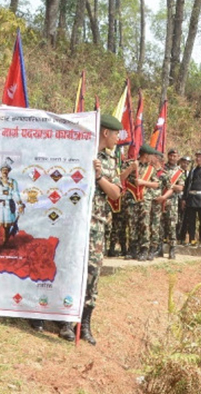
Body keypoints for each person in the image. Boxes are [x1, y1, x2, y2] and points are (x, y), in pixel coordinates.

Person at [58, 113, 123, 344]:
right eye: (116, 134)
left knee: (92, 271)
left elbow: (116, 194)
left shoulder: (109, 161)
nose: (118, 138)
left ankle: (84, 323)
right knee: (70, 267)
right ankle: (65, 320)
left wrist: (99, 176)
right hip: (73, 222)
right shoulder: (79, 153)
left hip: (96, 224)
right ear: (106, 133)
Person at [0, 157, 25, 252]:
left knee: (6, 226)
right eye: (3, 170)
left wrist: (20, 204)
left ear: (9, 172)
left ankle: (5, 242)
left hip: (8, 205)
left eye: (6, 170)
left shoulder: (13, 182)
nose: (5, 172)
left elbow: (16, 193)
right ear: (1, 171)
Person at [159, 150, 185, 259]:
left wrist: (170, 185)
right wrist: (172, 185)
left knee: (171, 225)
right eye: (171, 155)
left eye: (175, 156)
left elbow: (180, 188)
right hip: (160, 200)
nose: (173, 158)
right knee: (159, 225)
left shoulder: (179, 172)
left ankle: (172, 249)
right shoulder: (161, 169)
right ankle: (158, 249)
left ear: (178, 157)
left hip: (172, 202)